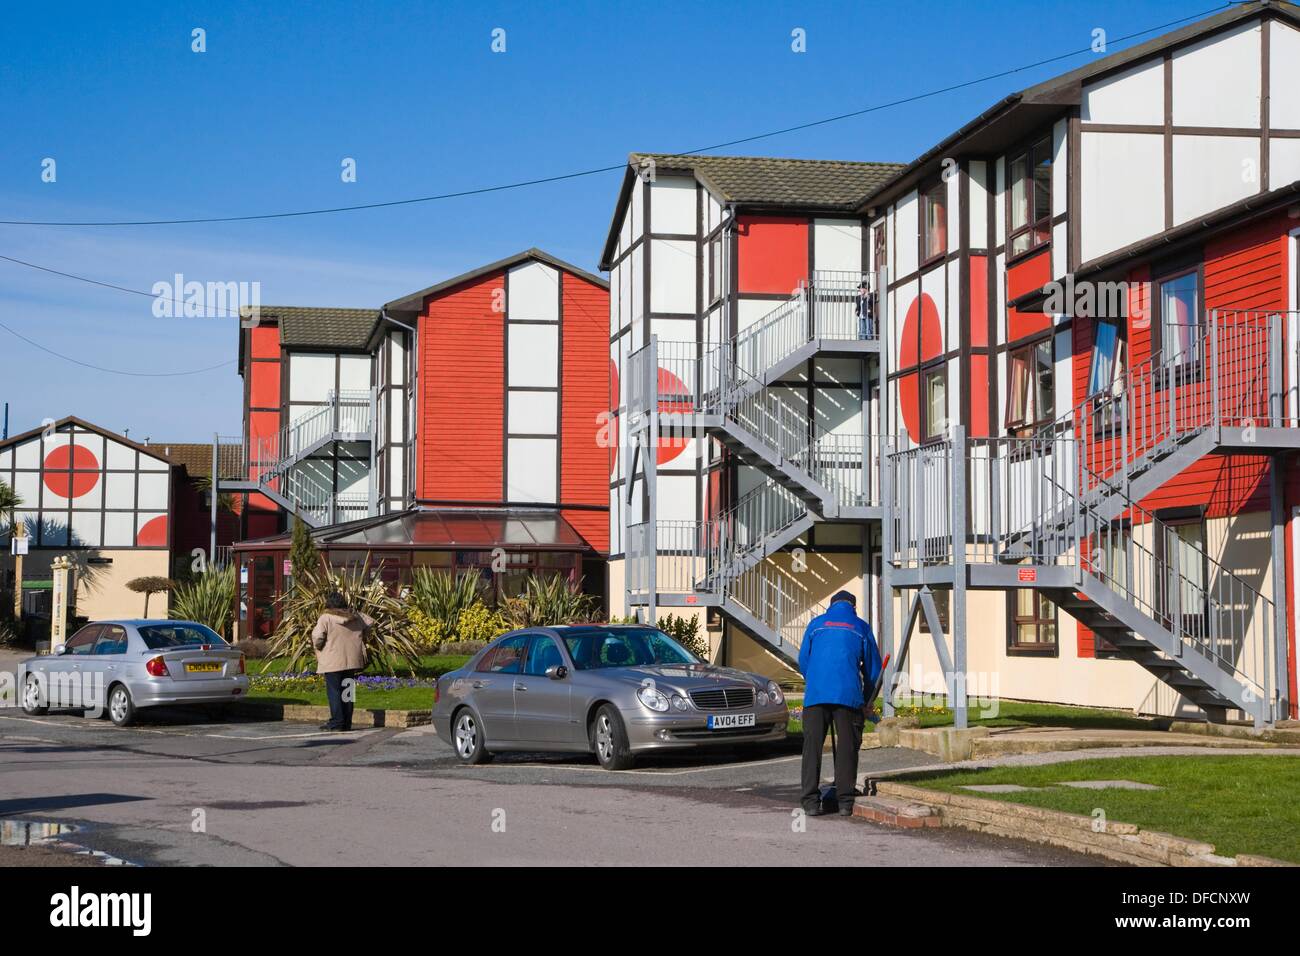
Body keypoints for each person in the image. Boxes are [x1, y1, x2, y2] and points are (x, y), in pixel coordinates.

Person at [797, 589, 882, 817]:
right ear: (853, 607)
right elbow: (873, 670)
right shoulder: (861, 627)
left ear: (830, 605)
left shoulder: (816, 624)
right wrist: (866, 699)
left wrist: (816, 680)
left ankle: (810, 802)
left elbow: (803, 661)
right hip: (848, 695)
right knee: (847, 746)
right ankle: (845, 801)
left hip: (816, 695)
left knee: (812, 747)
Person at [311, 591, 372, 732]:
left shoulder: (326, 618)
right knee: (348, 691)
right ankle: (347, 722)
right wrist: (363, 636)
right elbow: (370, 623)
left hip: (332, 660)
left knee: (334, 691)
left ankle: (337, 722)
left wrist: (319, 647)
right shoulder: (355, 616)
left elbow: (318, 637)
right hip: (352, 660)